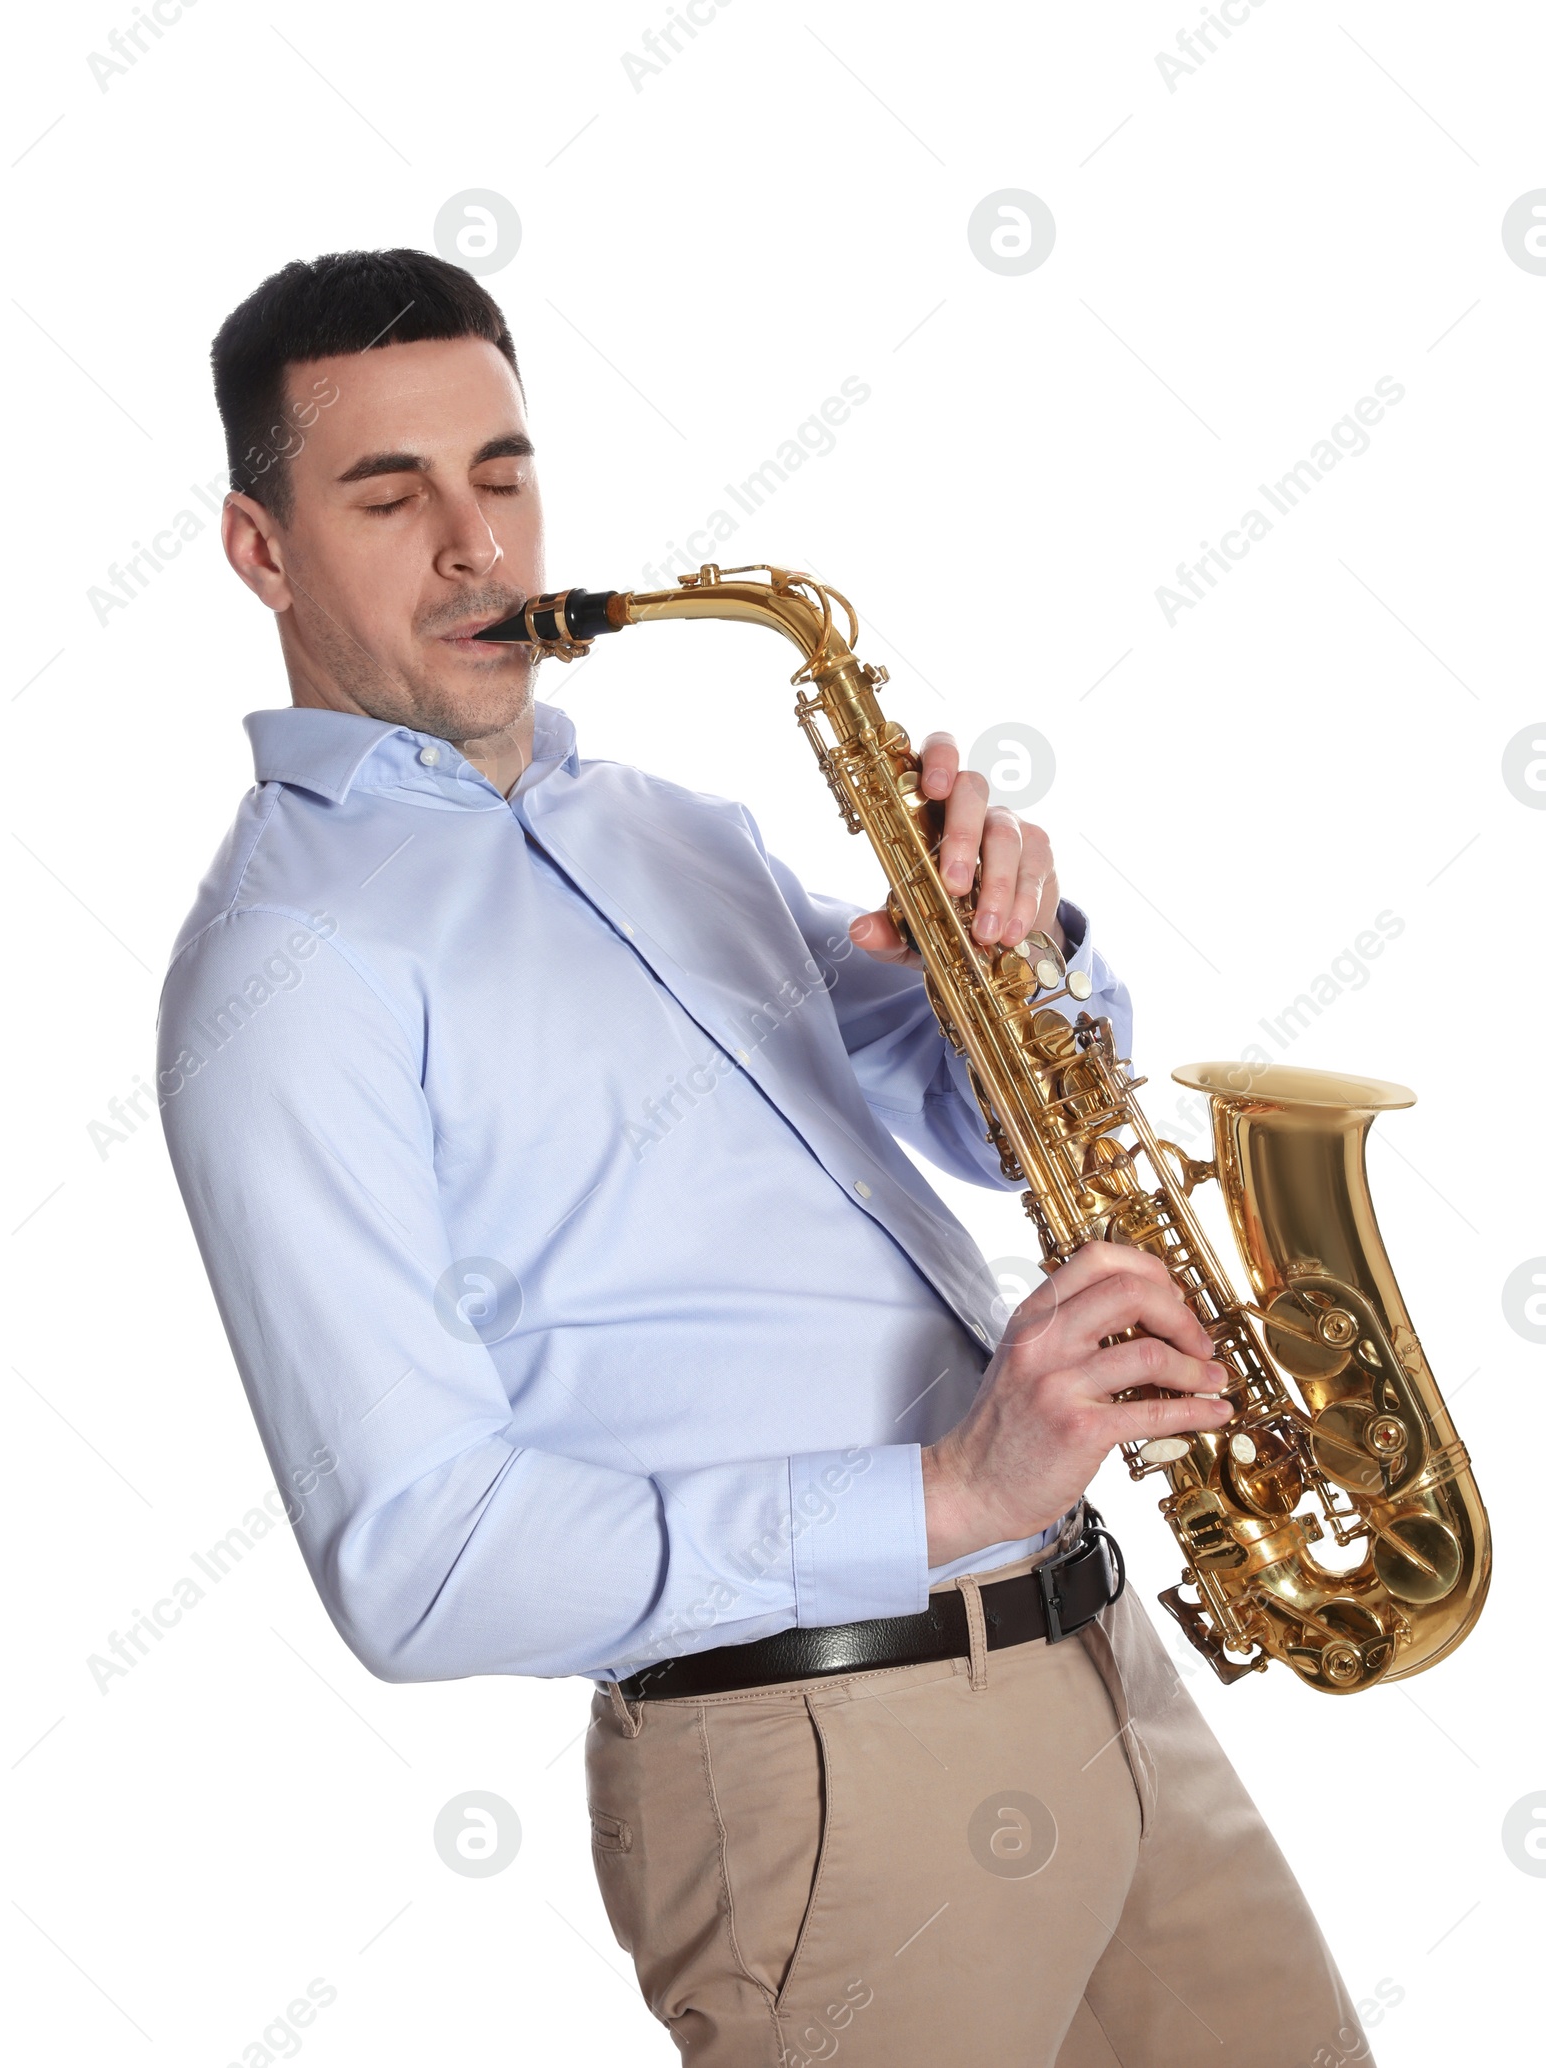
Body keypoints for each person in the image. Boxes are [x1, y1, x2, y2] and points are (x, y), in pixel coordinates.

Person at [158, 248, 1373, 2067]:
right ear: (261, 548)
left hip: (1099, 1671)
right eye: (389, 495)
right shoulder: (285, 968)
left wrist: (1011, 950)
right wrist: (949, 1498)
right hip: (818, 1765)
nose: (479, 547)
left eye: (501, 472)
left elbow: (984, 1116)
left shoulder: (670, 831)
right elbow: (417, 1565)